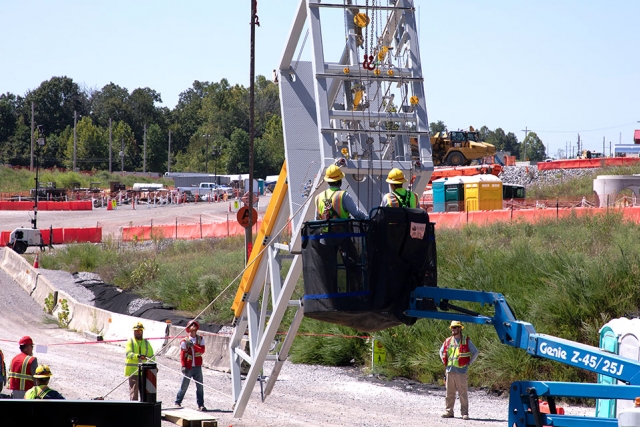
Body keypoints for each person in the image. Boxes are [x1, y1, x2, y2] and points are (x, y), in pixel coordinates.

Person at [439, 321, 479, 420]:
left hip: (461, 372)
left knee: (463, 393)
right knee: (449, 393)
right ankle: (449, 412)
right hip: (450, 371)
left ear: (460, 329)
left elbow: (475, 352)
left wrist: (469, 363)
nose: (453, 329)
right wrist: (444, 361)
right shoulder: (448, 340)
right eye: (452, 328)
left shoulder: (466, 341)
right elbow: (441, 351)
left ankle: (464, 413)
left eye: (456, 327)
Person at [174, 320, 207, 411]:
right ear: (188, 328)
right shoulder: (184, 341)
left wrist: (193, 346)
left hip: (197, 367)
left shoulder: (200, 339)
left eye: (194, 324)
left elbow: (202, 351)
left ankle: (201, 405)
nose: (193, 326)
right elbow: (182, 354)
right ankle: (177, 402)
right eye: (191, 325)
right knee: (184, 386)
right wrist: (183, 365)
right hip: (188, 367)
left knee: (200, 387)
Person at [124, 322, 155, 401]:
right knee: (134, 393)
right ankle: (134, 410)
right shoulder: (130, 342)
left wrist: (154, 366)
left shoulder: (147, 343)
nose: (138, 332)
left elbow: (151, 357)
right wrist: (138, 356)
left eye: (140, 331)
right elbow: (128, 354)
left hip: (145, 373)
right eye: (136, 331)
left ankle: (144, 410)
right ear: (134, 332)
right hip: (134, 372)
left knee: (146, 394)